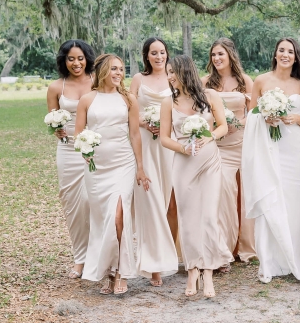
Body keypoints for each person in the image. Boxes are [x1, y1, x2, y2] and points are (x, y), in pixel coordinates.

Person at [242, 38, 300, 284]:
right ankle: (271, 260)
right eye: (281, 50)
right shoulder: (261, 81)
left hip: (293, 148)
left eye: (290, 52)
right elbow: (251, 114)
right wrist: (266, 117)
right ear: (274, 54)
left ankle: (297, 255)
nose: (285, 54)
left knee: (294, 199)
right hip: (268, 147)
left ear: (296, 57)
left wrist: (294, 118)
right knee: (272, 195)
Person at [75, 54, 150, 295]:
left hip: (123, 163)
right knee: (103, 219)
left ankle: (121, 271)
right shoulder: (87, 99)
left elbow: (135, 135)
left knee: (119, 216)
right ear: (102, 71)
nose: (118, 73)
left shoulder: (128, 99)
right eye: (113, 69)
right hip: (97, 168)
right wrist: (84, 151)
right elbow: (79, 134)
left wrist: (140, 167)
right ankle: (108, 271)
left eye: (121, 69)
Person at [160, 54, 232, 298]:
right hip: (183, 164)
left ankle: (209, 272)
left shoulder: (210, 96)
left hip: (210, 161)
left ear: (185, 71)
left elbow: (222, 125)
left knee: (209, 217)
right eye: (167, 72)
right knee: (188, 219)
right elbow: (164, 138)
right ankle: (192, 270)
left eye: (172, 72)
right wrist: (183, 148)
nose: (169, 76)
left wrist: (208, 136)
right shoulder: (168, 102)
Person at [202, 38, 256, 268]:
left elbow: (254, 114)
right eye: (213, 55)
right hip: (219, 147)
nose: (216, 59)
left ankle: (245, 248)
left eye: (220, 54)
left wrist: (238, 121)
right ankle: (222, 247)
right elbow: (200, 113)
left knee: (245, 195)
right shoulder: (205, 82)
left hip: (243, 143)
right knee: (224, 194)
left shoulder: (245, 81)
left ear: (230, 55)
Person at [130, 37, 178, 286]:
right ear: (146, 56)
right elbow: (128, 110)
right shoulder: (139, 79)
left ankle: (169, 256)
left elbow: (184, 107)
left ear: (167, 54)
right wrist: (146, 123)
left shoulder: (175, 77)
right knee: (152, 202)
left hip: (170, 147)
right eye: (153, 53)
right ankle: (153, 265)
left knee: (170, 202)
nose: (159, 57)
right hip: (147, 146)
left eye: (162, 52)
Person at [46, 39, 95, 279]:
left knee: (92, 201)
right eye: (71, 58)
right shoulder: (56, 87)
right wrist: (55, 129)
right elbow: (52, 118)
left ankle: (99, 256)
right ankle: (80, 258)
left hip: (94, 148)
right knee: (73, 204)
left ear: (87, 58)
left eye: (80, 58)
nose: (76, 63)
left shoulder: (98, 82)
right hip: (67, 150)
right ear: (64, 61)